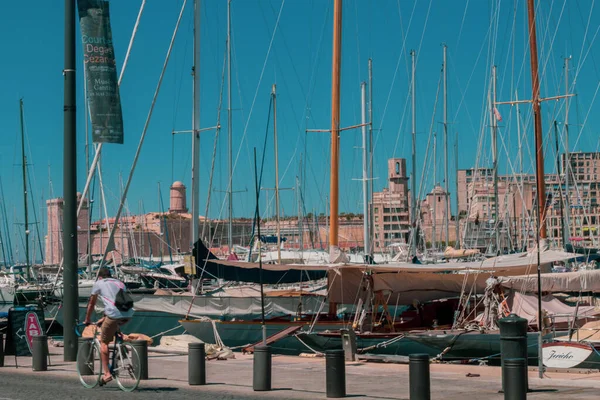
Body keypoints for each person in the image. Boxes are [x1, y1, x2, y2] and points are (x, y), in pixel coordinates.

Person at [84, 267, 134, 385]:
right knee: (113, 326)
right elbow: (118, 302)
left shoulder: (99, 283)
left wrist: (87, 319)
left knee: (104, 342)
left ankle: (106, 374)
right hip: (128, 314)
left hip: (113, 315)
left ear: (100, 277)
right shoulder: (120, 283)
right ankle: (121, 348)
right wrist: (104, 318)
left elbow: (92, 303)